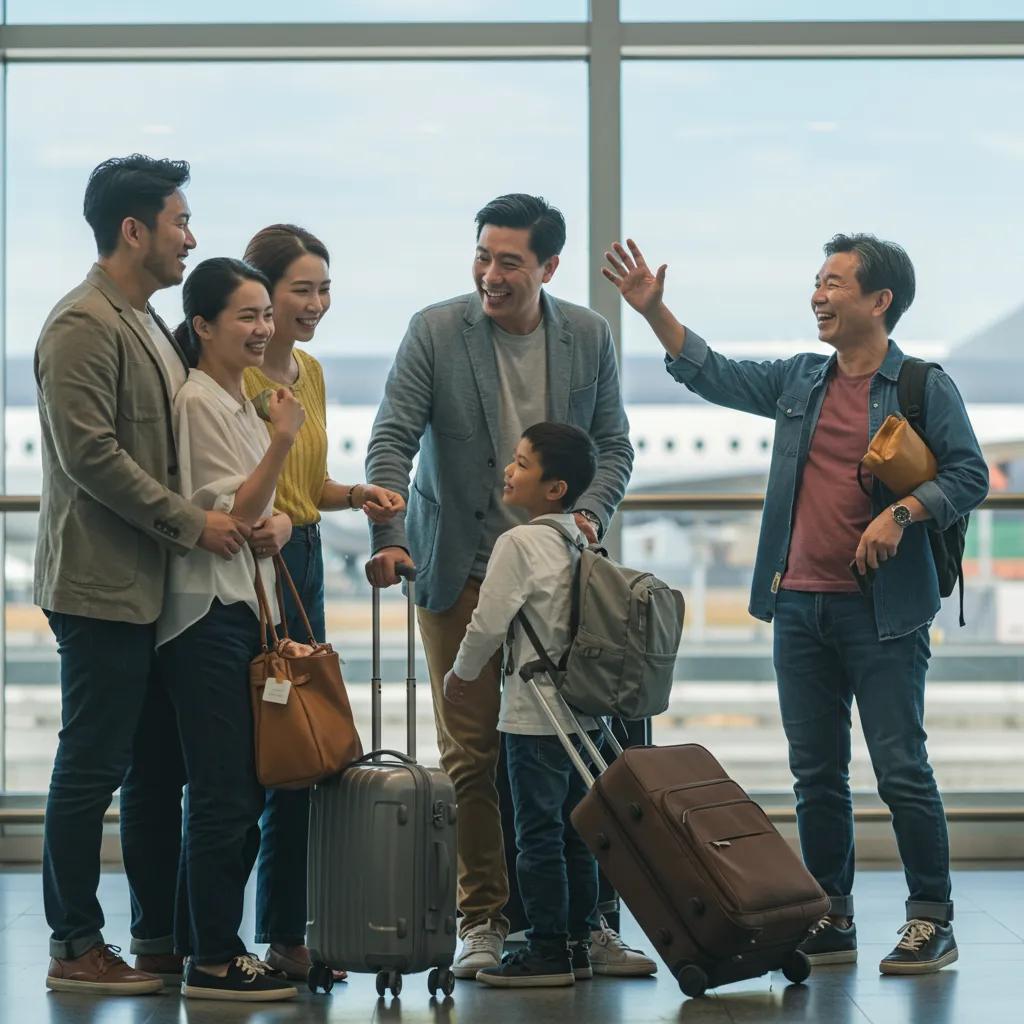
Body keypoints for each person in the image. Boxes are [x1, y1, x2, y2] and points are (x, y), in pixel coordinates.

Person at [604, 233, 988, 975]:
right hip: (800, 607)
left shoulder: (922, 386)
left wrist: (901, 512)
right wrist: (655, 312)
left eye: (835, 283)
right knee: (816, 776)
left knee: (901, 767)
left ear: (880, 301)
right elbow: (713, 374)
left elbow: (969, 474)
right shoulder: (802, 381)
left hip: (883, 615)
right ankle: (832, 915)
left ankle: (931, 918)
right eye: (817, 281)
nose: (818, 294)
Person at [365, 194, 634, 978]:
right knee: (474, 758)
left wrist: (584, 516)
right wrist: (389, 539)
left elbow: (613, 446)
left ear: (548, 267)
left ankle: (583, 925)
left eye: (509, 261)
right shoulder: (437, 330)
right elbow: (393, 437)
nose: (490, 273)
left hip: (561, 586)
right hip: (459, 571)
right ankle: (482, 917)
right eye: (483, 255)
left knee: (575, 757)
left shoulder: (587, 335)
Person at [36, 155, 247, 995]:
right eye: (179, 223)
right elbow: (92, 457)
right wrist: (196, 522)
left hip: (149, 587)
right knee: (91, 764)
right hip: (101, 585)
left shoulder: (145, 322)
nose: (191, 239)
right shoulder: (83, 324)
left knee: (137, 768)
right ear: (134, 230)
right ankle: (73, 944)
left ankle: (147, 938)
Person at [241, 223, 404, 981]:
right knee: (252, 761)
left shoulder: (307, 372)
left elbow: (305, 487)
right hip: (252, 567)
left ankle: (286, 936)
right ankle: (213, 939)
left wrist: (354, 495)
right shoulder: (232, 379)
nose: (315, 304)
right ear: (262, 296)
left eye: (323, 289)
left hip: (301, 558)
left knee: (306, 753)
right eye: (300, 290)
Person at [444, 423, 657, 987]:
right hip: (584, 716)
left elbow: (488, 622)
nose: (509, 472)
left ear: (555, 487)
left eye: (520, 464)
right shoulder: (581, 539)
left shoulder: (518, 544)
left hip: (533, 718)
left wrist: (460, 674)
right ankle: (581, 940)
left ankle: (544, 949)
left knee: (536, 836)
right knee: (575, 834)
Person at [158, 257, 302, 1002]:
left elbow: (260, 513)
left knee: (240, 788)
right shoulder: (199, 403)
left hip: (244, 611)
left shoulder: (239, 401)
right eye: (247, 316)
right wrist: (282, 442)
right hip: (208, 615)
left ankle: (211, 946)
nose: (263, 328)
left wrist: (276, 517)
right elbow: (236, 513)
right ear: (203, 325)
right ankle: (213, 960)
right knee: (224, 793)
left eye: (264, 314)